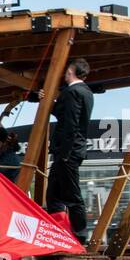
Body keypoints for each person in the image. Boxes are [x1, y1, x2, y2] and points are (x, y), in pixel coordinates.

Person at [45, 58, 94, 240]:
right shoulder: (86, 92)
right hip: (71, 150)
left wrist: (64, 154)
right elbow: (67, 116)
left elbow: (70, 124)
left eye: (67, 70)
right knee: (54, 194)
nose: (65, 73)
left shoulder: (72, 92)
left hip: (67, 152)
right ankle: (59, 232)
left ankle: (79, 235)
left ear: (71, 72)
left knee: (71, 195)